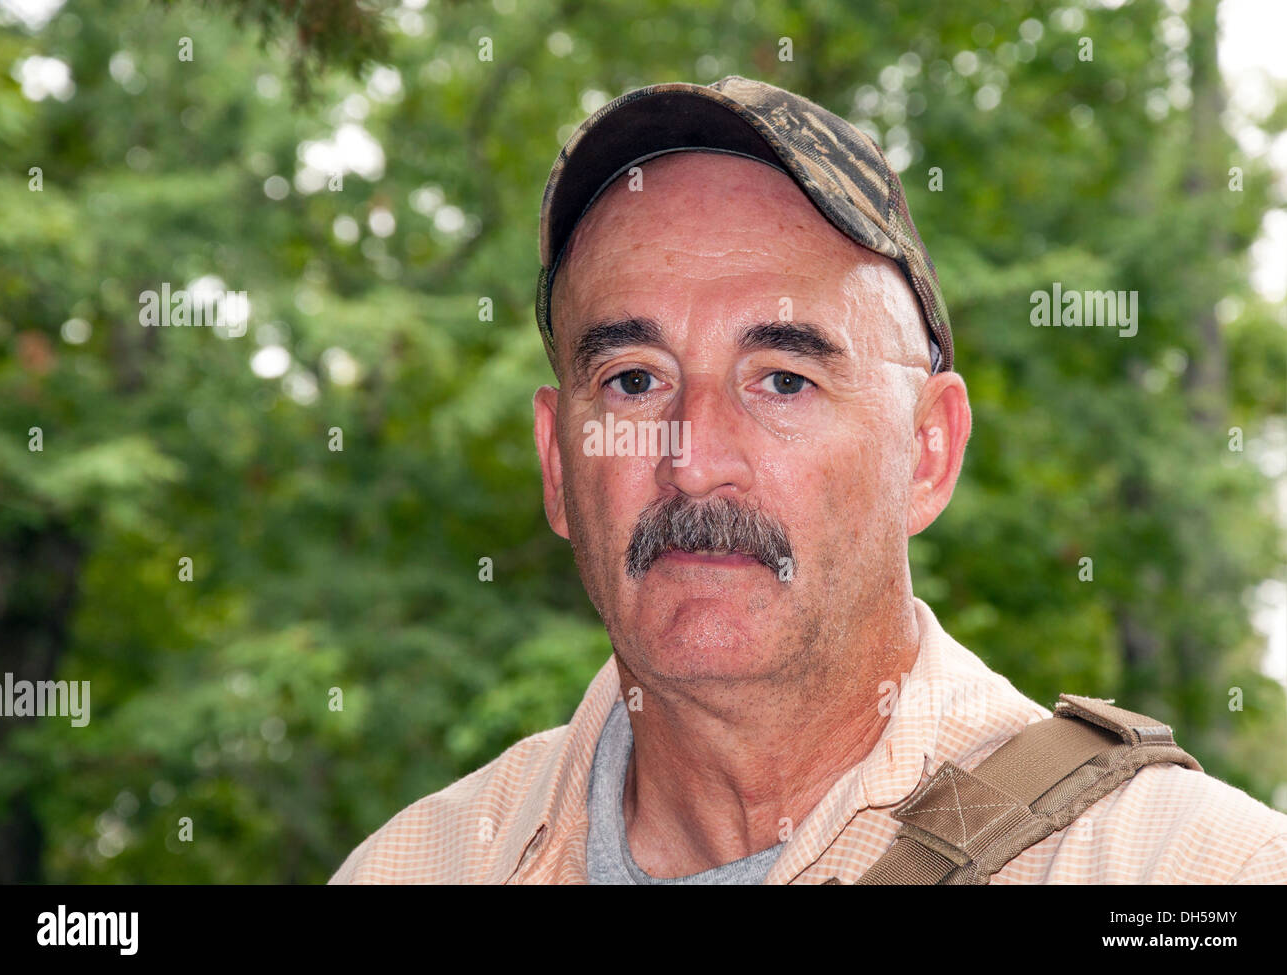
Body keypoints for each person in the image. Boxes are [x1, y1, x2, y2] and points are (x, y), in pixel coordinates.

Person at [330, 76, 1287, 884]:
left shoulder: (1180, 871)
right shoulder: (421, 864)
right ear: (556, 462)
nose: (693, 458)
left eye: (783, 380)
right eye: (632, 381)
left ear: (928, 451)